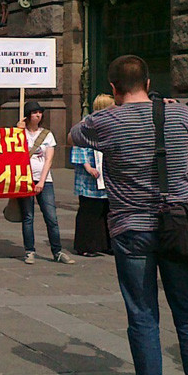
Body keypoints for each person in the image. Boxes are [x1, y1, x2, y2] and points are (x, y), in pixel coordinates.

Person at [69, 55, 188, 375]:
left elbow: (75, 134)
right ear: (148, 81)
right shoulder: (181, 116)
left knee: (143, 316)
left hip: (131, 229)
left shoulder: (106, 120)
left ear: (113, 88)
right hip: (181, 228)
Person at [18, 101, 74, 265]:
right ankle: (29, 250)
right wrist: (17, 130)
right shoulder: (21, 133)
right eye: (34, 112)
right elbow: (11, 150)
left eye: (39, 112)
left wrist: (41, 181)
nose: (38, 115)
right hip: (25, 179)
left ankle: (57, 251)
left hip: (44, 180)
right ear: (28, 115)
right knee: (28, 217)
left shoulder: (47, 135)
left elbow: (49, 160)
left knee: (51, 217)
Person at [71, 93, 114, 256]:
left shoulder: (109, 124)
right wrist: (88, 167)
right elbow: (78, 145)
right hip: (90, 177)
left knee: (106, 211)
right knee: (89, 211)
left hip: (106, 176)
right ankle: (86, 246)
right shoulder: (86, 124)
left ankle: (105, 243)